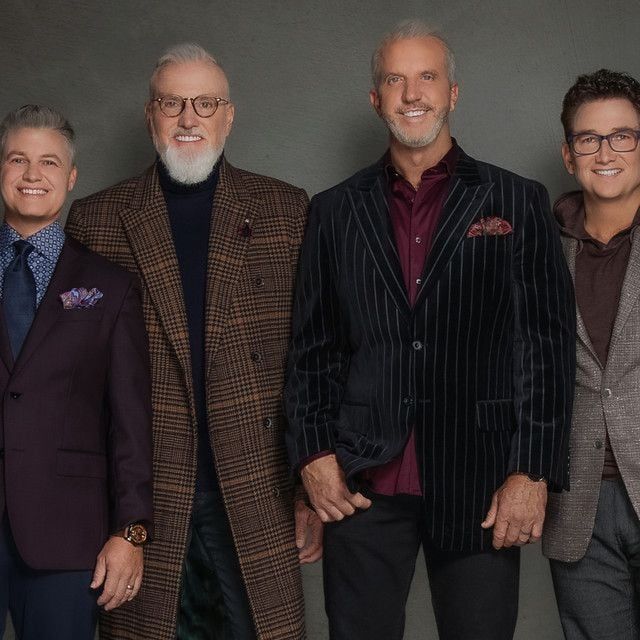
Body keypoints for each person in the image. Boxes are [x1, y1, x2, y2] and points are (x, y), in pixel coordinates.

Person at [285, 19, 575, 640]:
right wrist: (312, 456)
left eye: (427, 77)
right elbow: (313, 350)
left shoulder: (517, 200)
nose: (412, 93)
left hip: (482, 480)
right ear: (376, 98)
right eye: (396, 80)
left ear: (453, 92)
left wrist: (532, 470)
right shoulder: (333, 210)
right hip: (361, 482)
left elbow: (546, 349)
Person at [66, 43, 321, 640]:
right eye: (171, 103)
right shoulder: (97, 220)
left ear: (228, 116)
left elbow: (311, 360)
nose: (188, 118)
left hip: (257, 490)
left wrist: (307, 490)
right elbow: (78, 384)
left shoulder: (285, 211)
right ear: (149, 115)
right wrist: (103, 514)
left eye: (205, 103)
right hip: (144, 500)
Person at [0, 104, 153, 640]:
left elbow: (130, 424)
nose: (32, 174)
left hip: (67, 532)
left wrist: (131, 532)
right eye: (17, 159)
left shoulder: (110, 287)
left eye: (48, 162)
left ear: (70, 178)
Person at [543, 69, 640, 640]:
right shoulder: (539, 250)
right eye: (588, 139)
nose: (605, 153)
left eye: (622, 136)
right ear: (568, 155)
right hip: (577, 505)